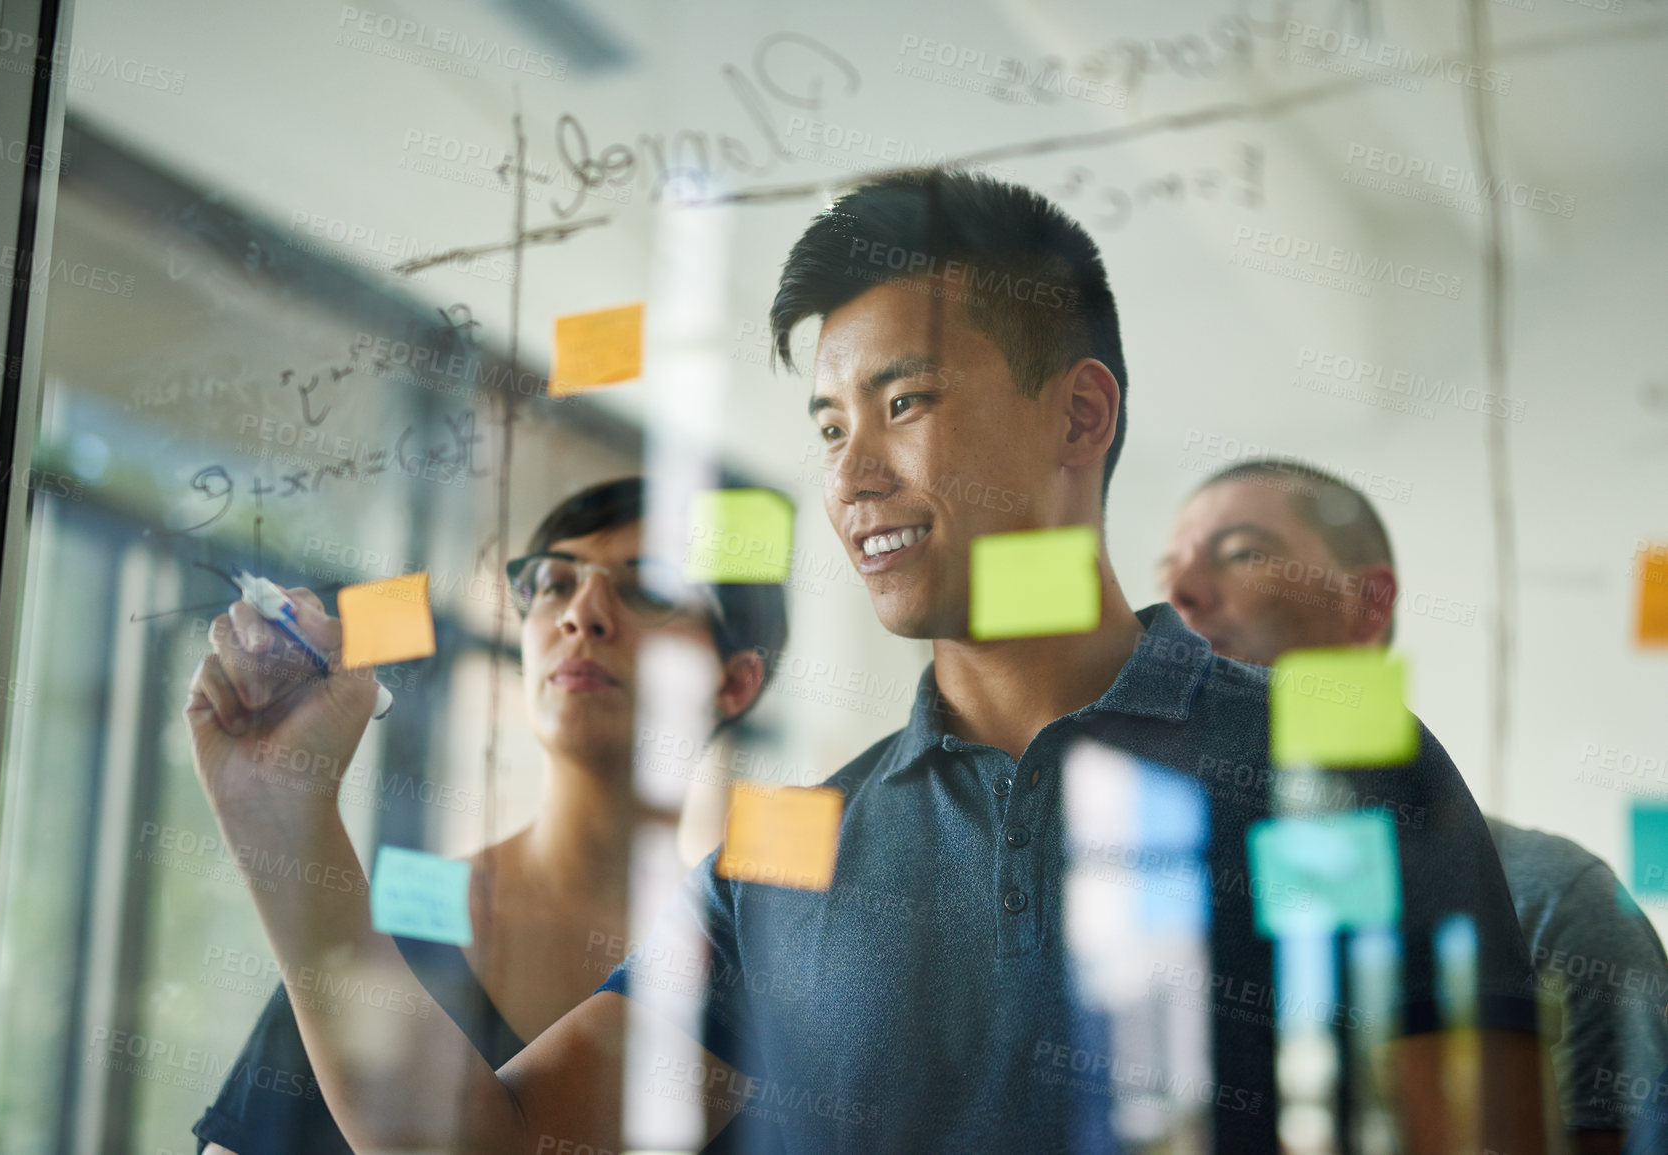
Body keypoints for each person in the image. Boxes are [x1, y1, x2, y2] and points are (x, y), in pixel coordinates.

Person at [189, 171, 1545, 1153]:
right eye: (828, 421)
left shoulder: (1335, 765)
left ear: (1077, 411)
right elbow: (486, 1140)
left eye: (905, 400)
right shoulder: (787, 849)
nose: (851, 470)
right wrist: (283, 827)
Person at [189, 476, 784, 1154]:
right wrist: (283, 813)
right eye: (555, 582)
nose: (581, 614)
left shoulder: (740, 958)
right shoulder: (402, 913)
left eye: (649, 590)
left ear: (734, 681)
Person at [1161, 456, 1668, 1154]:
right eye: (1170, 566)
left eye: (1242, 552)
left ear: (1364, 602)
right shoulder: (1148, 904)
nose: (1178, 592)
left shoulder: (1550, 901)